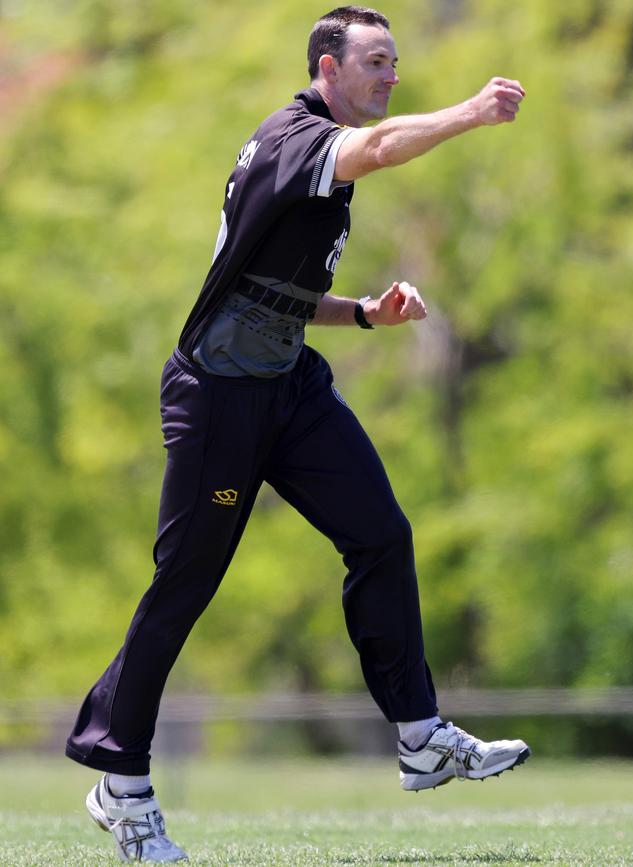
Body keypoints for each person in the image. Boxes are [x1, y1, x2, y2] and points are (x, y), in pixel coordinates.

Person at [66, 6, 530, 862]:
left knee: (381, 534)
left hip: (287, 385)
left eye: (395, 61)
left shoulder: (312, 154)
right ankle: (118, 777)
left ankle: (420, 733)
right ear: (328, 67)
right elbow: (384, 147)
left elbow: (265, 288)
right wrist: (468, 113)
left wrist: (358, 314)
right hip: (220, 396)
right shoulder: (294, 137)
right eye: (377, 62)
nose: (392, 76)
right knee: (186, 584)